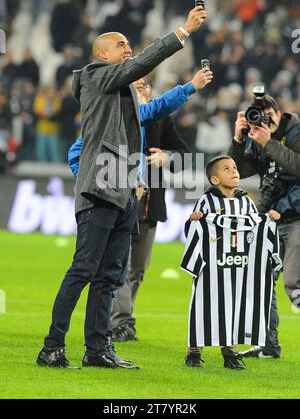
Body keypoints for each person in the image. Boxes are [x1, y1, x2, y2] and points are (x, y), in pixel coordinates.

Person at [36, 4, 208, 370]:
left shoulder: (120, 94)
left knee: (110, 277)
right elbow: (139, 66)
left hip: (124, 192)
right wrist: (183, 31)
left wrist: (188, 88)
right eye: (122, 45)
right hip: (100, 189)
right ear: (103, 54)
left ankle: (98, 349)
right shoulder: (96, 76)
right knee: (83, 269)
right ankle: (52, 346)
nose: (128, 49)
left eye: (130, 45)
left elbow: (150, 111)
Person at [68, 72, 213, 342]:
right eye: (136, 82)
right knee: (118, 266)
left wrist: (166, 157)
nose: (141, 85)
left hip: (149, 206)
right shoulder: (112, 117)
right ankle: (121, 321)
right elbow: (79, 151)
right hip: (117, 201)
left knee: (137, 271)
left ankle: (121, 318)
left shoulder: (160, 121)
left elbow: (185, 158)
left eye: (144, 83)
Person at [182, 155, 281, 369]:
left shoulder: (246, 202)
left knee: (234, 306)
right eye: (226, 169)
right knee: (204, 305)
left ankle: (230, 352)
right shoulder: (206, 201)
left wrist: (270, 218)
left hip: (239, 266)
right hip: (211, 268)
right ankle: (194, 351)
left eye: (235, 167)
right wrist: (193, 220)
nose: (234, 171)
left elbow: (257, 229)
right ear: (215, 180)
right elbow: (193, 233)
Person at [227, 94, 300, 358]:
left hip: (296, 216)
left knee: (294, 283)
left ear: (279, 114)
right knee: (262, 281)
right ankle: (269, 345)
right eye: (257, 115)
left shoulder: (296, 132)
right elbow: (231, 171)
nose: (263, 120)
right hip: (269, 219)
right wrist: (238, 138)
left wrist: (268, 143)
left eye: (267, 115)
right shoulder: (257, 138)